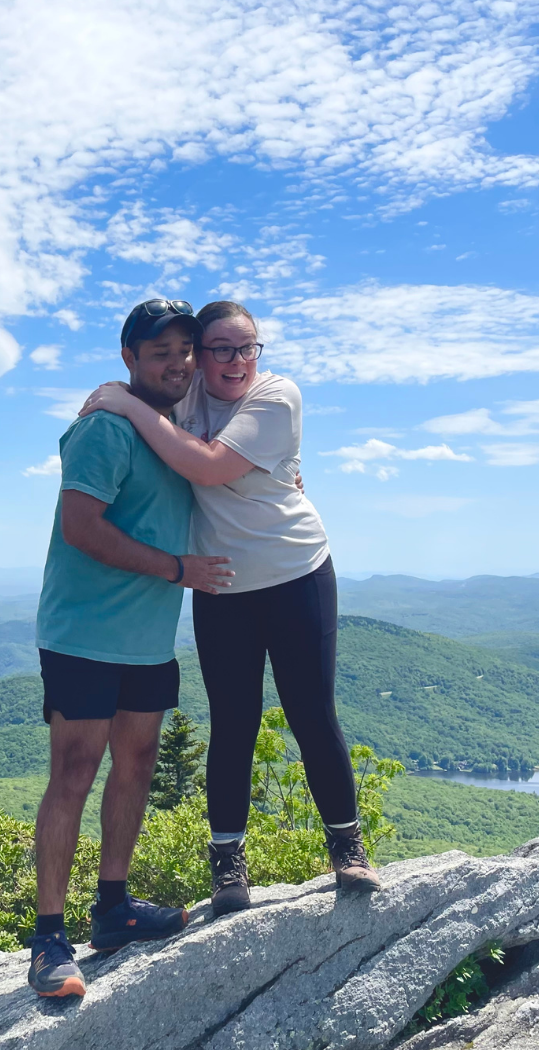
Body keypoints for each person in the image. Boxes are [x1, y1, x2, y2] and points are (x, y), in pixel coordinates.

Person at [79, 299, 380, 920]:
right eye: (219, 348)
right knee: (233, 723)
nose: (235, 360)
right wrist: (118, 391)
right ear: (199, 353)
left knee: (311, 713)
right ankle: (228, 867)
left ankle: (347, 848)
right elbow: (145, 403)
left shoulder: (277, 395)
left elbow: (208, 469)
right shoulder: (185, 397)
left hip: (297, 572)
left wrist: (124, 401)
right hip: (221, 586)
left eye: (247, 347)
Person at [28, 299, 234, 998]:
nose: (176, 363)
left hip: (146, 639)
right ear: (128, 360)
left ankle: (111, 909)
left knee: (137, 762)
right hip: (83, 634)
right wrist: (177, 570)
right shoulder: (104, 429)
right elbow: (82, 528)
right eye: (159, 353)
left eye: (184, 350)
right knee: (75, 770)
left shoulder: (179, 426)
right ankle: (49, 939)